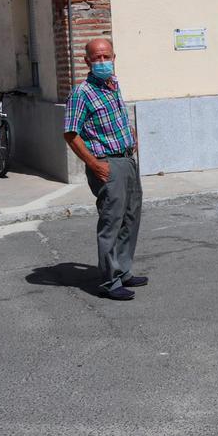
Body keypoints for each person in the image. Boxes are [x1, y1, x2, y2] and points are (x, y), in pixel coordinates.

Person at [63, 37, 146, 300]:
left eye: (106, 56)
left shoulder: (113, 85)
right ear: (86, 61)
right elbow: (70, 133)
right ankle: (110, 281)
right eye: (96, 58)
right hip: (108, 164)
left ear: (113, 57)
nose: (102, 62)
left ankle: (123, 271)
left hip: (127, 160)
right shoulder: (82, 94)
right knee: (111, 221)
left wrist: (131, 135)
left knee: (130, 218)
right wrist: (95, 165)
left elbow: (115, 117)